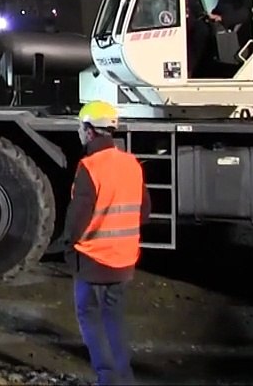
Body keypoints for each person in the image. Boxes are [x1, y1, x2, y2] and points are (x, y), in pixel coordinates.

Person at [62, 101, 150, 386]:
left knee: (89, 317)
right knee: (114, 318)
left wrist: (67, 245)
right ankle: (125, 378)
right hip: (124, 261)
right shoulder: (131, 163)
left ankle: (107, 378)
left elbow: (78, 219)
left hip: (93, 261)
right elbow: (144, 212)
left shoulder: (89, 167)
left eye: (80, 127)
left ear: (89, 131)